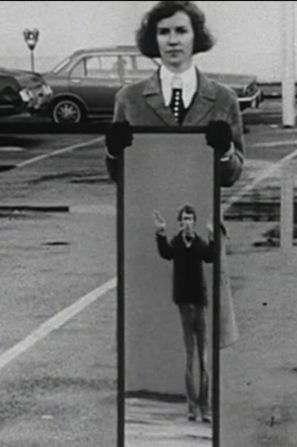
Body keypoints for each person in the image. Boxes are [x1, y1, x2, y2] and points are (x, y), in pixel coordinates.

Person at [106, 0, 241, 349]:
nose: (173, 40)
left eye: (181, 30)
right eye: (163, 32)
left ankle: (201, 404)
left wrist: (225, 151)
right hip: (152, 230)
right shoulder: (130, 99)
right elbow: (120, 175)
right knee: (154, 331)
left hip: (200, 231)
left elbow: (232, 174)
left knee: (203, 335)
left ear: (197, 37)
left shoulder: (223, 100)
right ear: (154, 40)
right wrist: (113, 151)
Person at [154, 205, 214, 422]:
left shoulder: (198, 243)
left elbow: (209, 257)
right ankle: (192, 407)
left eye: (190, 218)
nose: (187, 222)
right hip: (184, 304)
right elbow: (165, 253)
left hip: (199, 303)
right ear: (180, 222)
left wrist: (211, 235)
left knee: (204, 359)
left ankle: (205, 407)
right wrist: (160, 232)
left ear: (194, 222)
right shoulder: (177, 243)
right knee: (190, 356)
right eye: (184, 219)